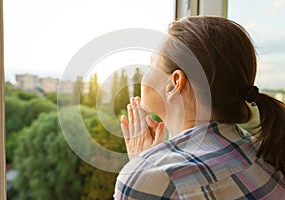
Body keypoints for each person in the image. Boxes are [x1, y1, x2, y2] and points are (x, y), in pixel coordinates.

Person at [114, 16, 285, 199]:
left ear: (175, 83)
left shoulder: (155, 178)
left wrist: (143, 168)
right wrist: (149, 160)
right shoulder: (265, 153)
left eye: (151, 65)